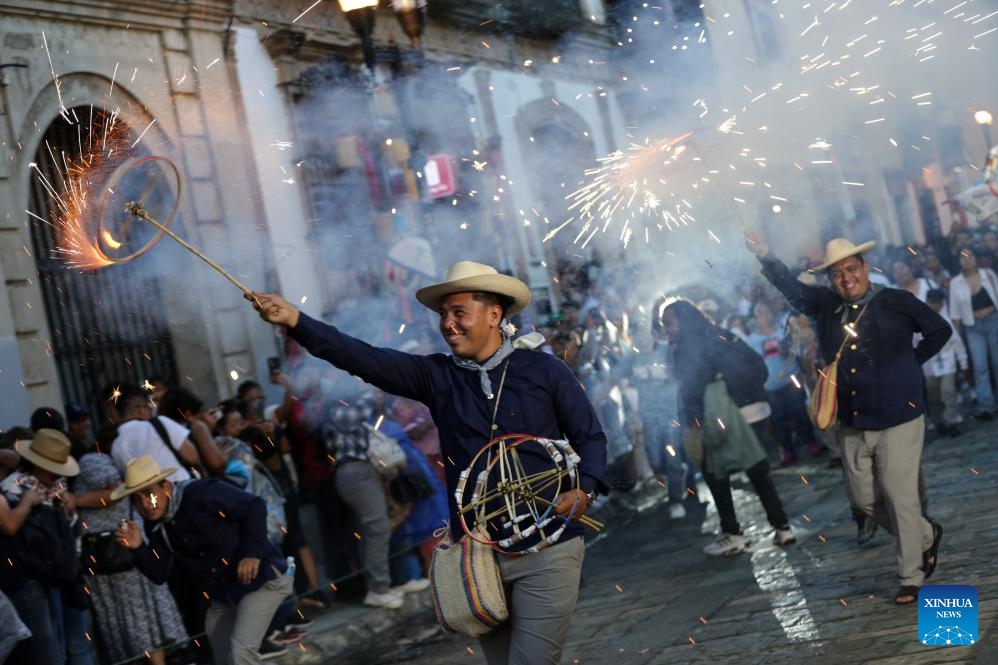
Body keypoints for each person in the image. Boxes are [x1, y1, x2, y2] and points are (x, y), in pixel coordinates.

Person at [249, 260, 608, 665]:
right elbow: (361, 358)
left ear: (494, 314)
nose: (448, 324)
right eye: (444, 315)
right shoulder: (437, 376)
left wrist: (586, 488)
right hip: (479, 556)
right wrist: (296, 320)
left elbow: (590, 436)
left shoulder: (544, 370)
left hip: (548, 546)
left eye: (459, 313)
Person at [745, 231, 950, 605]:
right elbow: (791, 288)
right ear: (830, 278)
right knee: (864, 499)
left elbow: (940, 330)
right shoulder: (824, 305)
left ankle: (911, 577)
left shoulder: (896, 301)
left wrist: (910, 364)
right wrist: (765, 254)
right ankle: (924, 535)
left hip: (900, 415)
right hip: (853, 419)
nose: (846, 278)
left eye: (852, 269)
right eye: (837, 273)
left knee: (899, 495)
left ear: (865, 269)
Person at [114, 455, 293, 665]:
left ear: (167, 489)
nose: (145, 504)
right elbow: (159, 573)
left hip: (263, 578)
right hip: (226, 593)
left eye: (149, 494)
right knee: (218, 657)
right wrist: (139, 548)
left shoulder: (201, 492)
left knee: (240, 654)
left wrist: (251, 554)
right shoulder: (155, 523)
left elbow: (254, 505)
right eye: (136, 499)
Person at [660, 299, 795, 555]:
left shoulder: (688, 346)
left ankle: (732, 533)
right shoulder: (721, 334)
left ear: (683, 320)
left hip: (725, 414)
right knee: (757, 470)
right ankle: (782, 527)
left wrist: (696, 423)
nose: (665, 329)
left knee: (714, 472)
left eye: (668, 322)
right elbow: (758, 364)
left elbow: (692, 388)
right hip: (755, 409)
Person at [947, 245, 998, 420]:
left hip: (993, 321)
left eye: (969, 256)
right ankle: (986, 403)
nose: (966, 260)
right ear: (959, 261)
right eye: (962, 257)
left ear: (975, 258)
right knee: (980, 364)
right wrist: (958, 334)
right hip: (972, 326)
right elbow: (955, 312)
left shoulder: (988, 275)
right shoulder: (955, 283)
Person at [922, 288, 969, 437]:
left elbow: (957, 343)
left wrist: (963, 362)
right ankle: (938, 422)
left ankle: (952, 422)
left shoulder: (946, 320)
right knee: (933, 395)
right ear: (928, 302)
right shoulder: (918, 320)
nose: (937, 306)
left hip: (947, 363)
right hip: (929, 365)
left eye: (939, 303)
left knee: (948, 393)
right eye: (934, 303)